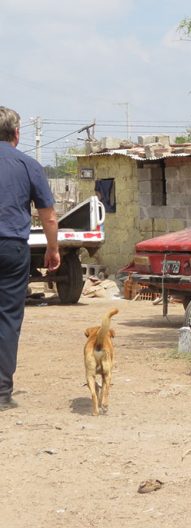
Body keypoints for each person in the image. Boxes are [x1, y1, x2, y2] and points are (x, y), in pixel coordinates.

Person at [0, 106, 60, 410]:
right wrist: (53, 249)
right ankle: (1, 392)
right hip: (11, 248)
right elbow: (48, 217)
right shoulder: (28, 165)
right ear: (17, 134)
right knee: (8, 318)